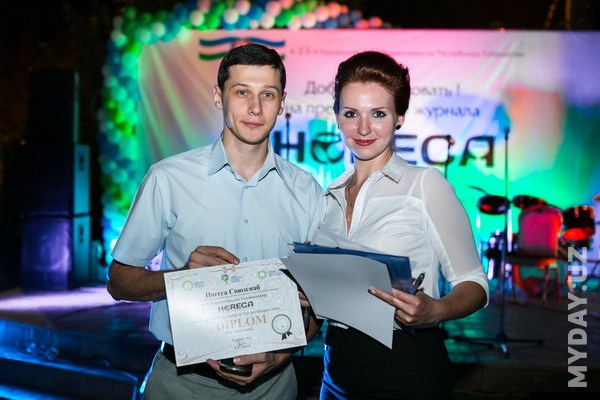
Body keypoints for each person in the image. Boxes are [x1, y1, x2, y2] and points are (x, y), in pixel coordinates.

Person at [106, 43, 323, 399]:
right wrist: (183, 279)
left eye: (268, 94)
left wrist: (281, 355)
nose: (255, 108)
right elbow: (119, 281)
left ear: (282, 103)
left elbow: (317, 303)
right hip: (182, 385)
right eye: (242, 92)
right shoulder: (168, 178)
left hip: (275, 385)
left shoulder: (307, 191)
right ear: (218, 96)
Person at [310, 51, 489, 399]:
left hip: (405, 370)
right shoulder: (328, 197)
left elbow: (475, 283)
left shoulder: (424, 185)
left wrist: (435, 309)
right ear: (337, 118)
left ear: (399, 118)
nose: (363, 128)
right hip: (335, 370)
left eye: (378, 113)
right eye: (351, 113)